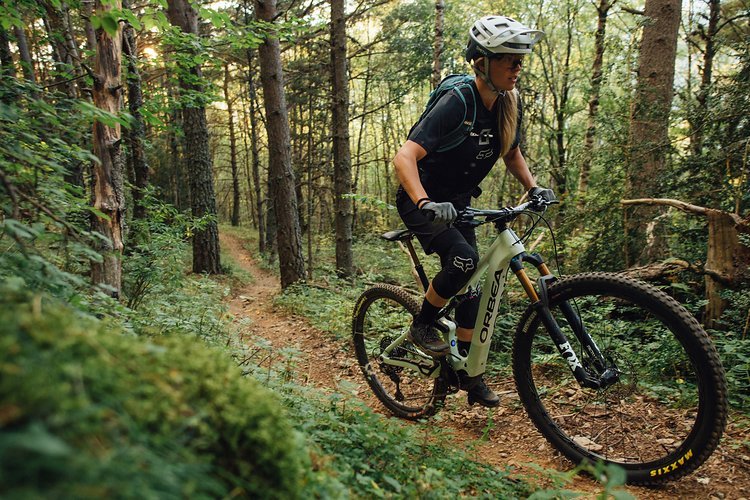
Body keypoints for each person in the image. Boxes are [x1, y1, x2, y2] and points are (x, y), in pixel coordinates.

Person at [392, 15, 556, 407]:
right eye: (510, 61)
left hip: (460, 203)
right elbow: (404, 156)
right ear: (482, 62)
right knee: (464, 261)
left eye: (521, 61)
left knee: (474, 291)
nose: (518, 68)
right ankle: (422, 324)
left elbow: (511, 153)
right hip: (423, 200)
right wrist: (425, 202)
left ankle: (467, 374)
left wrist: (532, 187)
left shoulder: (505, 103)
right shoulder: (457, 101)